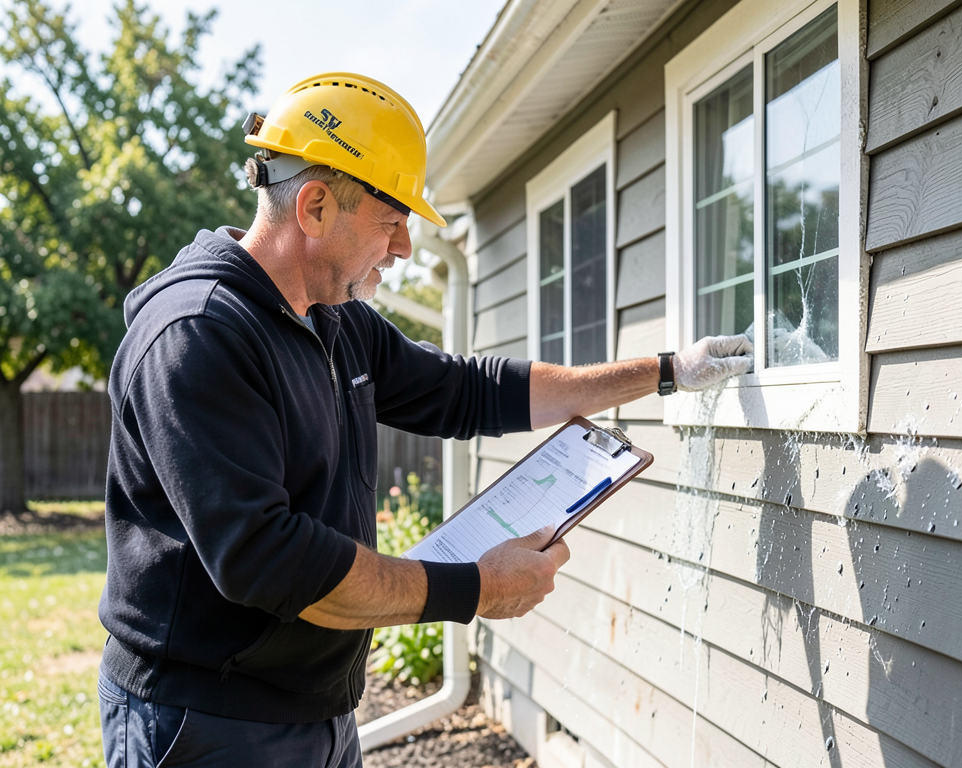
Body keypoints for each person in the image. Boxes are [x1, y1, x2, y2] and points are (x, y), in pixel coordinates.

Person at [97, 72, 753, 768]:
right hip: (204, 722)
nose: (405, 246)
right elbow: (270, 561)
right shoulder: (198, 335)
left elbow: (469, 391)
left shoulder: (334, 319)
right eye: (391, 220)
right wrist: (477, 588)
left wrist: (666, 371)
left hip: (314, 709)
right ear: (314, 207)